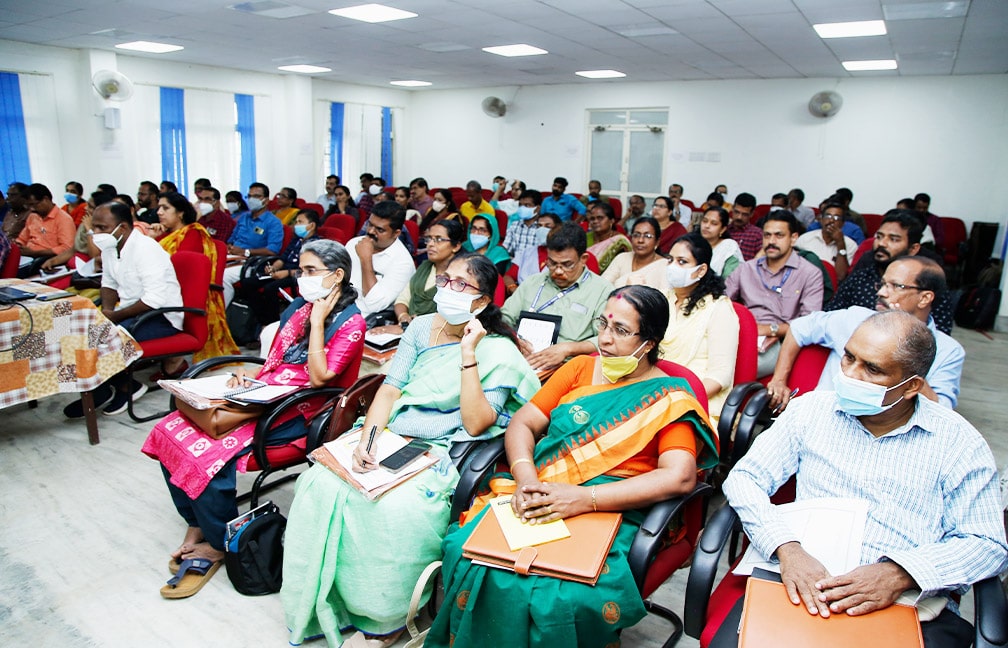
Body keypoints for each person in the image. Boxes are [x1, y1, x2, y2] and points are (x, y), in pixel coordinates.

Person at [427, 284, 719, 647]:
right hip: (541, 489)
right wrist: (525, 478)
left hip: (612, 507)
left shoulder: (670, 396)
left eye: (621, 331)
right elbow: (524, 423)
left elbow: (679, 476)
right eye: (603, 325)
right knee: (472, 553)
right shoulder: (579, 369)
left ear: (650, 342)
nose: (605, 340)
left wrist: (583, 499)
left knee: (561, 593)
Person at [280, 253, 540, 647]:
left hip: (441, 446)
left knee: (393, 508)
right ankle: (332, 602)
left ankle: (387, 616)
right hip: (391, 432)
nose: (446, 290)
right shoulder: (421, 327)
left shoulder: (497, 351)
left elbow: (475, 424)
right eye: (445, 280)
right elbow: (390, 388)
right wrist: (368, 438)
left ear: (482, 302)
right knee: (319, 484)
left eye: (460, 285)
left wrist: (468, 355)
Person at [719, 311, 1007, 648]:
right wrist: (787, 548)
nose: (850, 375)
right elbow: (745, 478)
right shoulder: (810, 411)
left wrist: (900, 574)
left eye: (871, 369)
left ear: (912, 386)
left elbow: (987, 543)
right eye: (849, 357)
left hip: (906, 603)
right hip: (802, 583)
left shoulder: (958, 442)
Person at [142, 240, 366, 598]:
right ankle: (196, 522)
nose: (302, 279)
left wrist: (320, 321)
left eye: (311, 272)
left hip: (300, 406)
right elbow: (276, 361)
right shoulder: (299, 306)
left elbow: (321, 378)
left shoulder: (351, 322)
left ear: (337, 275)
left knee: (209, 453)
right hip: (267, 394)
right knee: (169, 429)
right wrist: (252, 380)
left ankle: (217, 541)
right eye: (301, 270)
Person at [767, 255, 963, 411]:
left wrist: (906, 344)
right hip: (824, 417)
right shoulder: (855, 318)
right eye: (883, 284)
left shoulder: (949, 351)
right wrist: (779, 380)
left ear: (925, 298)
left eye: (895, 286)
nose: (882, 293)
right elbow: (799, 328)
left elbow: (941, 412)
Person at [62, 201, 182, 418]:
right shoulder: (111, 247)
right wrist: (106, 311)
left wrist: (113, 317)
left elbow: (153, 299)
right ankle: (99, 389)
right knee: (75, 331)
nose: (96, 233)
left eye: (102, 228)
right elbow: (108, 283)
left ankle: (127, 388)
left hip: (161, 316)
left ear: (123, 228)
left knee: (102, 337)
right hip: (131, 311)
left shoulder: (146, 249)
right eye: (95, 227)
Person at [502, 222, 613, 374]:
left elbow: (606, 339)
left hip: (566, 367)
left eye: (567, 265)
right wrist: (514, 339)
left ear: (583, 259)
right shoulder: (533, 282)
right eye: (552, 263)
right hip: (520, 358)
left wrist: (567, 349)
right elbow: (503, 318)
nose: (558, 271)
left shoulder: (602, 290)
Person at [725, 210, 824, 377]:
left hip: (780, 340)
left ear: (793, 238)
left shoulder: (810, 273)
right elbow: (721, 301)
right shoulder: (747, 268)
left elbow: (809, 323)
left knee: (732, 369)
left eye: (779, 236)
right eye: (767, 235)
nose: (771, 241)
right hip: (740, 333)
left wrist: (772, 330)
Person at [827, 209, 954, 334]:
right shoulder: (861, 276)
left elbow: (940, 333)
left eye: (893, 239)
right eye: (879, 236)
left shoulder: (927, 281)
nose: (882, 243)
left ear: (913, 249)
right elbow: (830, 315)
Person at [153, 192, 239, 365]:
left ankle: (167, 360)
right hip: (160, 288)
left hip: (177, 293)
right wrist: (152, 239)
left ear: (180, 213)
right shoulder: (164, 235)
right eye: (159, 208)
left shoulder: (192, 233)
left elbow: (176, 269)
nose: (159, 212)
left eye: (165, 208)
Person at [660, 233, 739, 419]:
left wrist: (677, 402)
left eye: (682, 262)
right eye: (670, 260)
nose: (672, 267)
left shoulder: (718, 309)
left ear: (701, 270)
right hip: (655, 395)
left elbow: (720, 376)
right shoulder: (662, 299)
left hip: (697, 402)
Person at [241, 208, 322, 326]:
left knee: (270, 288)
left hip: (297, 275)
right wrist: (274, 267)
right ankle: (262, 321)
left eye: (300, 222)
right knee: (248, 283)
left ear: (311, 225)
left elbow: (311, 269)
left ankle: (273, 324)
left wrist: (287, 273)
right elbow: (283, 258)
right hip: (283, 272)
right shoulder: (296, 240)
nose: (296, 225)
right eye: (296, 221)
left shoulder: (316, 244)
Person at [346, 200, 415, 326]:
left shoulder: (403, 263)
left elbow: (374, 305)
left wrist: (366, 260)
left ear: (396, 233)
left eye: (380, 229)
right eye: (370, 224)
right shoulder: (354, 243)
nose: (371, 231)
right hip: (340, 307)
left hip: (364, 318)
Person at [390, 220, 464, 328]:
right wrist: (403, 316)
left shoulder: (459, 278)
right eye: (429, 239)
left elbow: (450, 320)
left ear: (456, 246)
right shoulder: (425, 267)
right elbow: (403, 299)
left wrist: (409, 328)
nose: (430, 244)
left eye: (438, 239)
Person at [222, 182, 284, 306]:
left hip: (252, 262)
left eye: (256, 196)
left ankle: (220, 316)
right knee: (206, 268)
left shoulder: (273, 222)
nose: (251, 200)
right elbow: (231, 238)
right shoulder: (244, 218)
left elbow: (272, 250)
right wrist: (229, 246)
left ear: (266, 200)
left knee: (223, 277)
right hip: (233, 256)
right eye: (249, 196)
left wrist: (246, 252)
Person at [16, 183, 76, 277]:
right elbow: (22, 239)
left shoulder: (64, 219)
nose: (31, 209)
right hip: (27, 257)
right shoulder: (33, 216)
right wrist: (18, 245)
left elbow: (66, 248)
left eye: (34, 204)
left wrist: (35, 253)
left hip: (45, 259)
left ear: (45, 199)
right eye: (29, 206)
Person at [795, 200, 858, 283]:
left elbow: (840, 277)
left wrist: (840, 244)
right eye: (828, 216)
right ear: (821, 219)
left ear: (842, 224)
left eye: (836, 218)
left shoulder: (851, 245)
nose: (831, 221)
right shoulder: (806, 239)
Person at [602, 216, 668, 289]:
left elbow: (664, 297)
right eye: (636, 235)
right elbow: (602, 286)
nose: (640, 240)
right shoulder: (622, 258)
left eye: (647, 236)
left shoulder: (665, 266)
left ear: (657, 242)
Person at [585, 200, 631, 273]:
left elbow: (624, 268)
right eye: (592, 219)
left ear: (611, 221)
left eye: (600, 218)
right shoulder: (584, 238)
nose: (595, 221)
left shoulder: (619, 242)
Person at [698, 206, 744, 277]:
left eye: (714, 223)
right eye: (705, 221)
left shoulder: (728, 247)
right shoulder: (692, 243)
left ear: (722, 229)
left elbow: (730, 280)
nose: (707, 226)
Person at [501, 188, 543, 258]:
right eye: (520, 205)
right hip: (515, 264)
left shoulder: (542, 227)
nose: (522, 208)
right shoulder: (514, 225)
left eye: (527, 205)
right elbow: (506, 249)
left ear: (537, 208)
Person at [725, 192, 762, 260]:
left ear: (752, 214)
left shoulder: (757, 234)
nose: (739, 217)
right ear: (732, 209)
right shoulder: (724, 230)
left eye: (744, 214)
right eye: (737, 212)